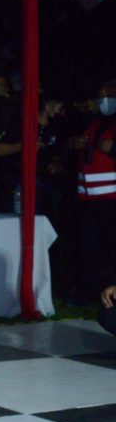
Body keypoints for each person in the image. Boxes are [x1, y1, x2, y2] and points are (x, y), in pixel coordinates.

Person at [73, 80, 116, 304]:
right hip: (89, 199)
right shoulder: (94, 123)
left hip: (112, 199)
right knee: (90, 250)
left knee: (111, 251)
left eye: (108, 94)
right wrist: (75, 144)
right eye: (101, 95)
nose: (104, 99)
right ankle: (91, 294)